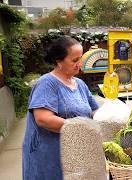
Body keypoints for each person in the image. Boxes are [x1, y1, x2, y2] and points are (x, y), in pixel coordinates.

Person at [22, 36, 99, 180]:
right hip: (50, 156)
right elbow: (43, 119)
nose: (79, 64)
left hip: (74, 155)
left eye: (80, 59)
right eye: (74, 60)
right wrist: (80, 127)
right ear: (59, 61)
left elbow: (94, 110)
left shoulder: (80, 84)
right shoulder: (47, 84)